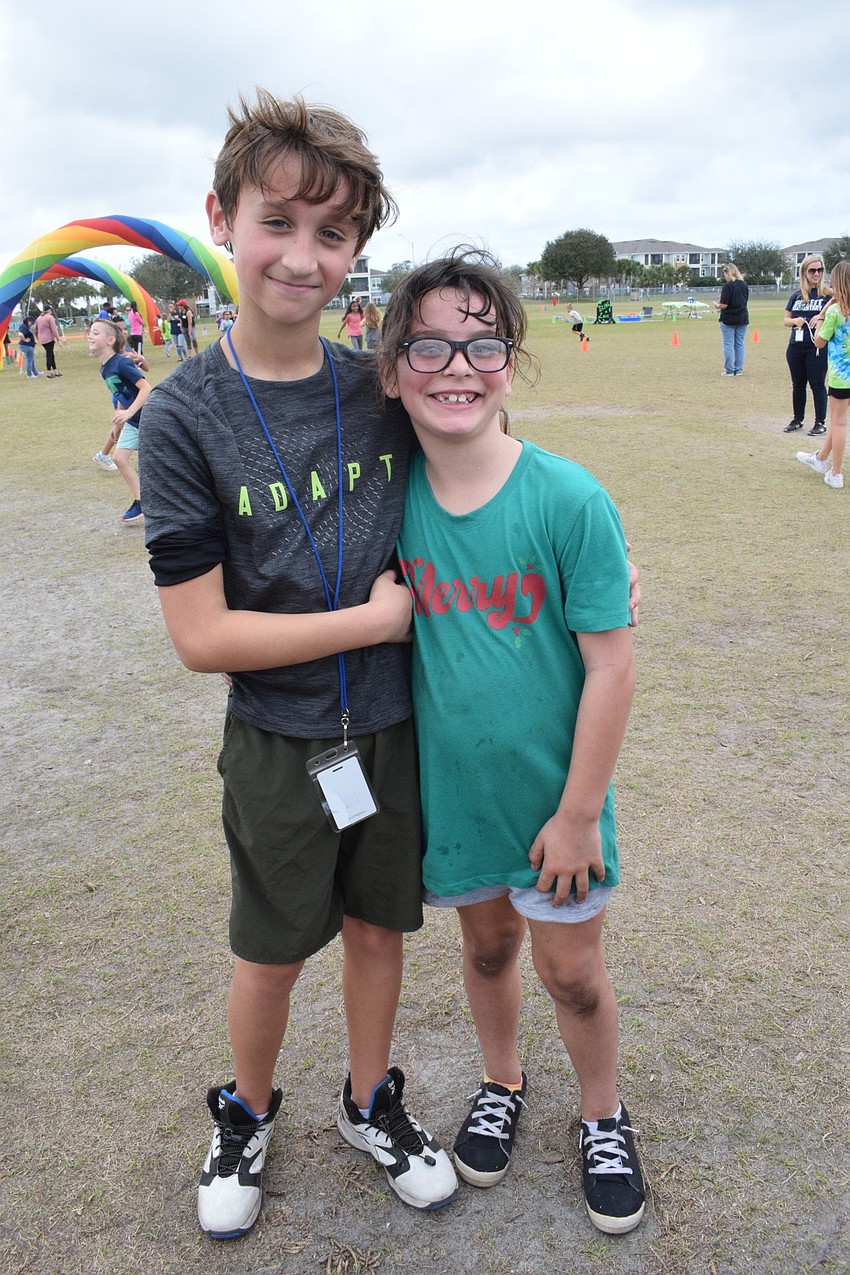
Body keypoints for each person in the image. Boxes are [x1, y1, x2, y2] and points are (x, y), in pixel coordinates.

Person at [138, 89, 459, 1241]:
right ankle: (246, 1112)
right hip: (279, 740)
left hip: (387, 730)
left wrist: (582, 571)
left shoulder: (381, 388)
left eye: (333, 234)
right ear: (221, 218)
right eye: (278, 222)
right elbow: (201, 637)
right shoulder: (179, 421)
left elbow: (486, 468)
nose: (302, 255)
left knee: (380, 932)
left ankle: (372, 1102)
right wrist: (366, 626)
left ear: (357, 252)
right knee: (271, 950)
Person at [379, 250, 646, 1237]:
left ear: (511, 359)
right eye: (431, 344)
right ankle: (501, 1081)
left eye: (483, 341)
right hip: (453, 799)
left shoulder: (567, 498)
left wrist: (577, 815)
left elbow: (611, 666)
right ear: (394, 367)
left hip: (555, 802)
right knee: (487, 948)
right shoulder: (384, 503)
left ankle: (601, 1114)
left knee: (570, 972)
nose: (458, 365)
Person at [87, 318, 151, 522]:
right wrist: (118, 423)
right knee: (119, 458)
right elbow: (121, 395)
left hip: (150, 419)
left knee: (156, 464)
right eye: (90, 332)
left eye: (96, 333)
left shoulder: (122, 362)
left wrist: (129, 413)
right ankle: (141, 502)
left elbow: (146, 388)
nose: (90, 335)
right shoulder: (104, 369)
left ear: (110, 340)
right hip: (132, 422)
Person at [796, 259, 850, 490]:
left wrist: (819, 321)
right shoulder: (836, 308)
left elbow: (819, 341)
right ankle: (820, 459)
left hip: (841, 376)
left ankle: (836, 473)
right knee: (839, 420)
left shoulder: (837, 312)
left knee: (837, 423)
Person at [783, 254, 832, 436]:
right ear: (804, 272)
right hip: (796, 346)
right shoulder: (796, 296)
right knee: (798, 384)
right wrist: (795, 320)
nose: (816, 274)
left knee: (817, 384)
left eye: (819, 270)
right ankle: (797, 419)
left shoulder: (828, 296)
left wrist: (821, 318)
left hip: (817, 347)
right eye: (812, 270)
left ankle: (820, 422)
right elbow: (786, 320)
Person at [714, 263, 749, 376]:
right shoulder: (744, 285)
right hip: (742, 317)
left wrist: (717, 305)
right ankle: (738, 369)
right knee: (739, 344)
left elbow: (724, 304)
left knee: (728, 344)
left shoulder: (728, 286)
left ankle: (729, 369)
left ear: (728, 273)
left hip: (728, 319)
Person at [34, 304, 64, 377]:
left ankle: (55, 371)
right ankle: (49, 373)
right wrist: (58, 339)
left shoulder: (39, 318)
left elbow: (35, 329)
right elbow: (54, 329)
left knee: (51, 354)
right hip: (49, 338)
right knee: (49, 355)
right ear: (49, 310)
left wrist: (38, 337)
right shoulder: (50, 318)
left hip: (42, 339)